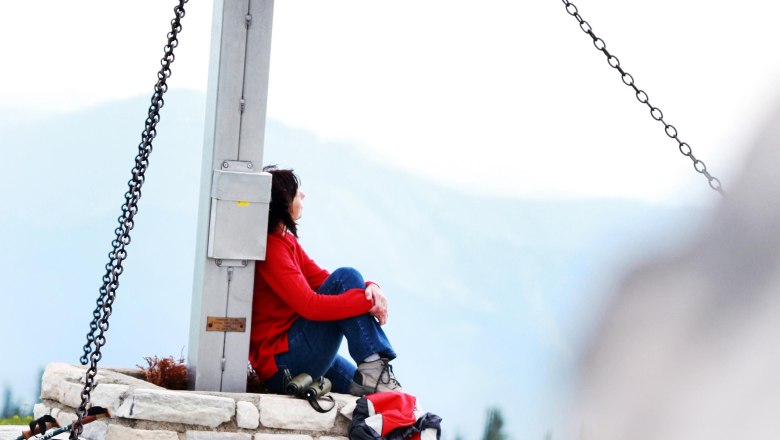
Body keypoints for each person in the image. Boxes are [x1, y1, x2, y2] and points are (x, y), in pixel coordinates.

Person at [249, 165, 403, 396]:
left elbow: (325, 280)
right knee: (347, 275)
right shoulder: (271, 248)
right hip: (284, 365)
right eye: (296, 191)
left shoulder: (285, 240)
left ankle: (376, 374)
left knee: (380, 396)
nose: (303, 194)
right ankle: (374, 368)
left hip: (298, 352)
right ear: (283, 202)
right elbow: (310, 306)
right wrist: (366, 302)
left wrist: (372, 287)